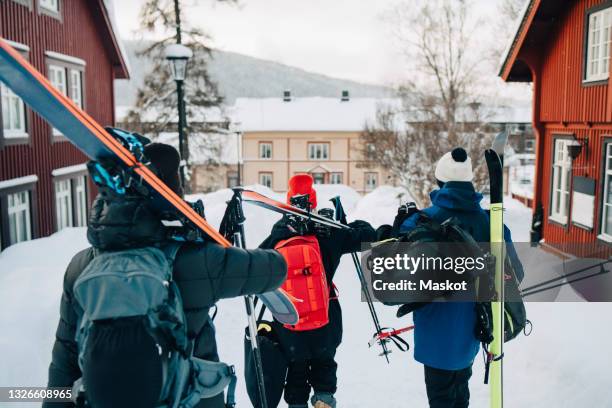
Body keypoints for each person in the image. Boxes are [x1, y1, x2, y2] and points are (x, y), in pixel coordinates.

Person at [43, 143, 287, 408]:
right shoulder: (196, 259)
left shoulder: (81, 266)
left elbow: (65, 355)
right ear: (171, 193)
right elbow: (275, 269)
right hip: (189, 398)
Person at [399, 147, 524, 408]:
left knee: (442, 398)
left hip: (434, 331)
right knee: (459, 393)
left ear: (440, 182)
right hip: (474, 328)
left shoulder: (420, 222)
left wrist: (399, 223)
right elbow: (515, 274)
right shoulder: (491, 222)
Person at [259, 174, 375, 408]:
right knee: (324, 364)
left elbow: (256, 267)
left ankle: (297, 403)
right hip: (325, 317)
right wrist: (341, 223)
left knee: (295, 368)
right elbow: (368, 236)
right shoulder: (329, 233)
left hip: (290, 319)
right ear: (313, 202)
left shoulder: (277, 237)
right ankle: (323, 400)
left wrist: (283, 231)